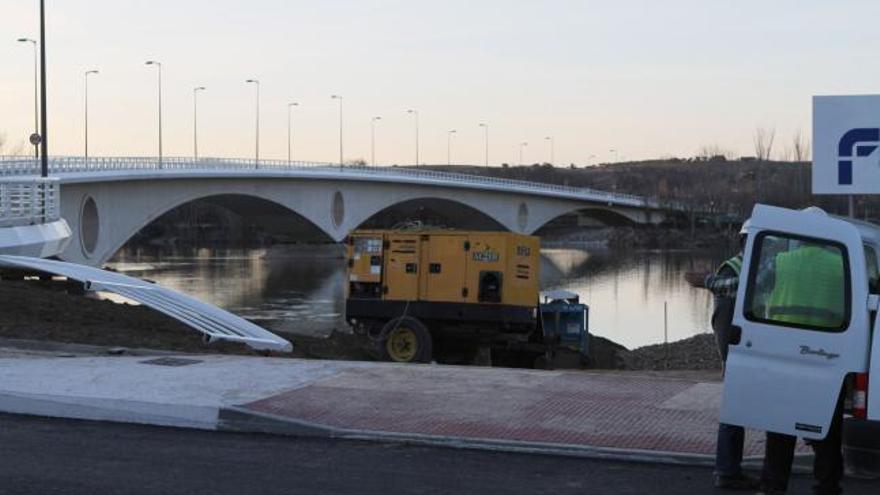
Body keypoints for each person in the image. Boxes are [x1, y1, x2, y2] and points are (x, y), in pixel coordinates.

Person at [755, 241, 846, 495]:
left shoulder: (780, 261)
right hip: (828, 359)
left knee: (780, 430)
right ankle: (827, 487)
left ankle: (773, 486)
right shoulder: (842, 265)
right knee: (827, 432)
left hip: (785, 357)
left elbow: (753, 289)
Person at [685, 222, 758, 491]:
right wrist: (729, 357)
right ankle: (727, 470)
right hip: (740, 351)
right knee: (734, 412)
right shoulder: (734, 268)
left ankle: (730, 468)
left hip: (752, 350)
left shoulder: (754, 266)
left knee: (740, 411)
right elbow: (722, 321)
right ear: (745, 242)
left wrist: (706, 281)